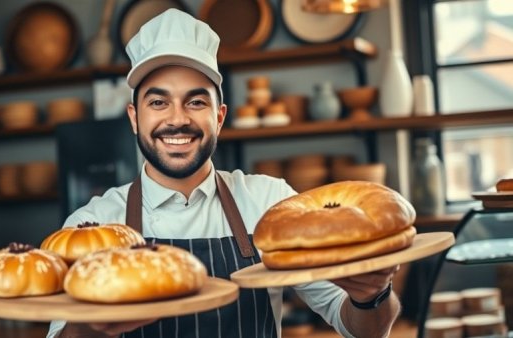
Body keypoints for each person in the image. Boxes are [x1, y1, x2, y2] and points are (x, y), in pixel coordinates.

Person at [48, 9, 400, 338]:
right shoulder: (93, 225)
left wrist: (372, 295)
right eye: (158, 102)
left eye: (196, 102)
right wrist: (91, 327)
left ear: (219, 117)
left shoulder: (271, 204)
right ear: (134, 117)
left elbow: (359, 327)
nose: (177, 119)